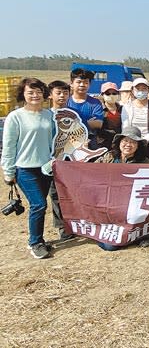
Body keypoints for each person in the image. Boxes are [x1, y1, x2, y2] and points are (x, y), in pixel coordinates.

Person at [1, 78, 55, 259]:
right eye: (30, 92)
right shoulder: (15, 117)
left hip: (46, 168)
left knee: (39, 205)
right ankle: (35, 242)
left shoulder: (49, 115)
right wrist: (8, 171)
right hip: (25, 168)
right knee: (39, 204)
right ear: (23, 94)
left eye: (38, 91)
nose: (35, 95)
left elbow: (55, 142)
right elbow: (9, 146)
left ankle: (39, 238)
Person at [46, 80, 73, 241]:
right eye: (58, 92)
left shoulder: (72, 114)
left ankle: (74, 223)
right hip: (52, 161)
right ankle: (62, 227)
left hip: (71, 161)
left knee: (71, 193)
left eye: (65, 92)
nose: (62, 95)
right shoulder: (47, 115)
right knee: (55, 194)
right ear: (50, 95)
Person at [121, 77, 149, 162]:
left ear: (148, 90)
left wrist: (145, 140)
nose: (141, 91)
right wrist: (135, 140)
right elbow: (125, 126)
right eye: (138, 89)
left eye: (144, 89)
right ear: (132, 90)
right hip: (131, 143)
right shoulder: (127, 107)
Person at [66, 68, 104, 149]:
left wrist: (72, 123)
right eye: (79, 82)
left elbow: (98, 123)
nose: (82, 85)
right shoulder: (65, 102)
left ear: (89, 84)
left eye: (86, 82)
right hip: (67, 142)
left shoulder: (95, 103)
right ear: (71, 84)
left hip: (89, 142)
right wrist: (88, 123)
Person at [98, 82, 122, 149]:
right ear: (102, 95)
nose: (111, 95)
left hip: (118, 144)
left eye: (114, 93)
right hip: (102, 144)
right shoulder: (98, 109)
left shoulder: (122, 109)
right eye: (108, 93)